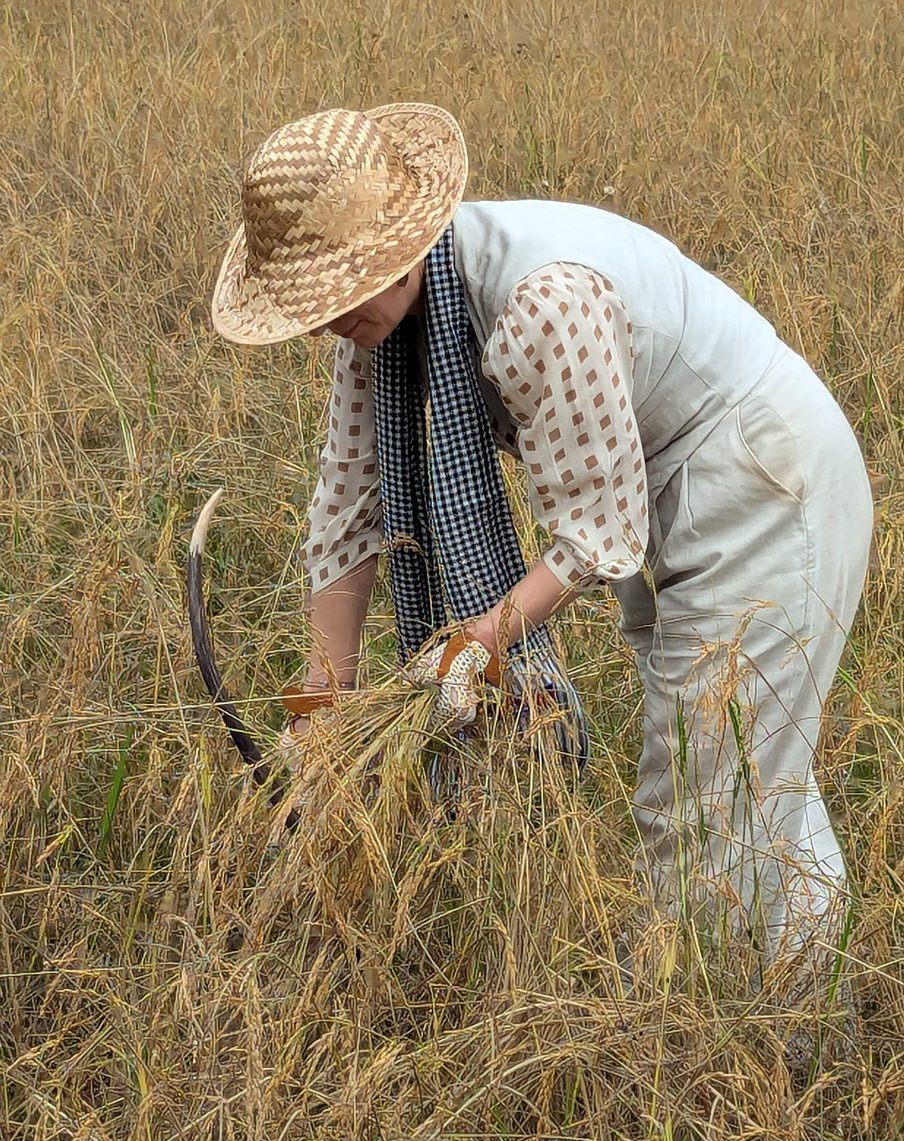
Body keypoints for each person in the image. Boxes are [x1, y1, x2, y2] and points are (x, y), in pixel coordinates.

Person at [211, 103, 873, 959]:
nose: (327, 321)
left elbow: (597, 532)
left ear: (401, 246)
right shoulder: (376, 324)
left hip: (760, 478)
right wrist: (320, 711)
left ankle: (734, 1031)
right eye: (313, 304)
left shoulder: (542, 301)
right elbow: (347, 505)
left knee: (713, 792)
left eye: (340, 292)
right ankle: (796, 1007)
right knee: (747, 777)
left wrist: (476, 644)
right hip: (674, 482)